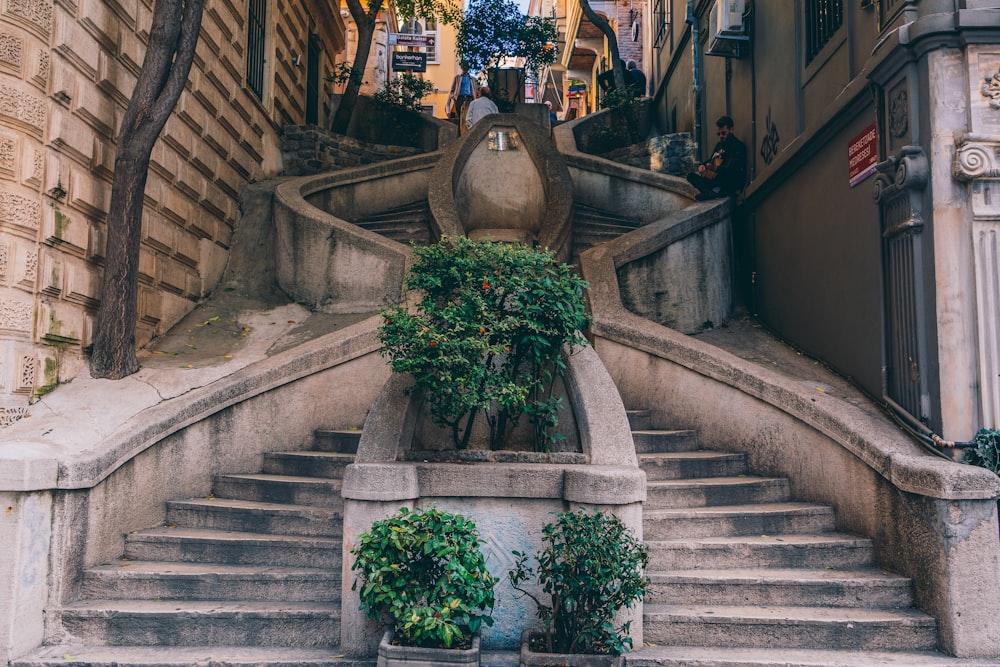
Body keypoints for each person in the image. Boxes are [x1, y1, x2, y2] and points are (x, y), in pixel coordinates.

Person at [686, 116, 748, 201]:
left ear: (731, 130)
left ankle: (711, 193)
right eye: (719, 134)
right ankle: (709, 192)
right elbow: (712, 159)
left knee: (728, 178)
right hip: (715, 179)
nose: (721, 136)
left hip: (729, 182)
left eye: (724, 133)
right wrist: (703, 165)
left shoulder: (737, 146)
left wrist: (715, 168)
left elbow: (732, 168)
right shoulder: (719, 145)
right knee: (690, 176)